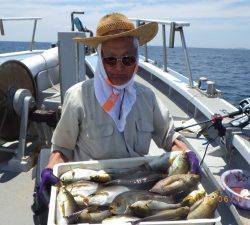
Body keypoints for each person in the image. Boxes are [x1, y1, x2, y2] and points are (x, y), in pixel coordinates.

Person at [37, 12, 200, 206]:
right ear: (100, 57)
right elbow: (62, 148)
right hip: (91, 191)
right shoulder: (77, 96)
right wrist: (50, 169)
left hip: (140, 188)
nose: (120, 67)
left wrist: (186, 152)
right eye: (111, 60)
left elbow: (168, 137)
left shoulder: (147, 97)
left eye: (128, 59)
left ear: (136, 59)